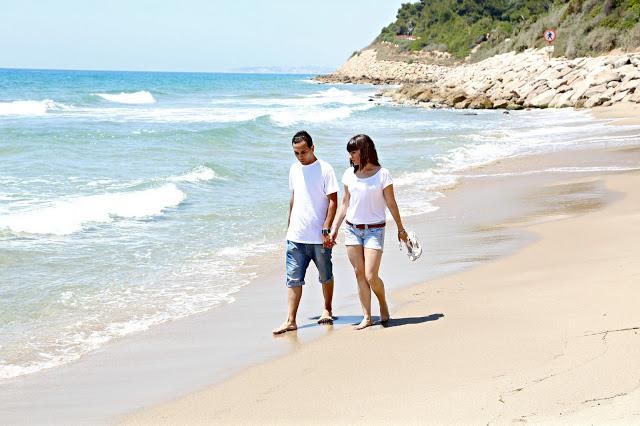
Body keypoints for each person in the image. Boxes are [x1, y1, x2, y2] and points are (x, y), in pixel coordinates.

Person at [330, 134, 408, 330]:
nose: (351, 157)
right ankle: (367, 316)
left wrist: (401, 228)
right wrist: (334, 229)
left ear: (364, 151)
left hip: (375, 230)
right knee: (359, 274)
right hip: (352, 229)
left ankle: (382, 302)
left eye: (354, 152)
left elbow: (391, 203)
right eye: (349, 154)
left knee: (371, 275)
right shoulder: (349, 174)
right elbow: (345, 203)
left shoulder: (383, 174)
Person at [273, 130, 339, 335]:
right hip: (296, 236)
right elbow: (293, 198)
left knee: (325, 275)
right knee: (293, 278)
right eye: (296, 153)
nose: (300, 156)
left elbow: (333, 201)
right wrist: (289, 224)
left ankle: (327, 309)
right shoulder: (294, 169)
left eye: (303, 152)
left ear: (312, 148)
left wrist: (327, 228)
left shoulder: (325, 169)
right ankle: (291, 320)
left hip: (319, 237)